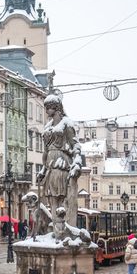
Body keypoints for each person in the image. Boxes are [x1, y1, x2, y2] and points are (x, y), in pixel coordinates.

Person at [36, 95, 82, 234]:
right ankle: (56, 227)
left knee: (62, 197)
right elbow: (45, 150)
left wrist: (77, 162)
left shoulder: (66, 123)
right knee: (51, 199)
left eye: (48, 108)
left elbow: (75, 144)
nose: (46, 111)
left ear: (55, 107)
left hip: (61, 163)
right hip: (50, 163)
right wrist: (43, 169)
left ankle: (63, 227)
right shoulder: (48, 126)